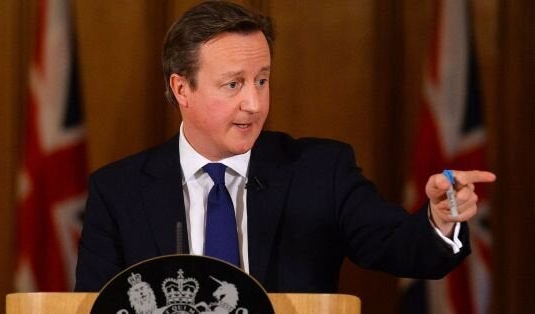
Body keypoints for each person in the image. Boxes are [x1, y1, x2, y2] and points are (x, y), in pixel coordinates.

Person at [74, 1, 495, 293]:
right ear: (182, 88)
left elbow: (405, 249)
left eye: (262, 80)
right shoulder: (119, 191)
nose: (254, 103)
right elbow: (94, 306)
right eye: (233, 84)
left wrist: (441, 220)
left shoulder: (320, 170)